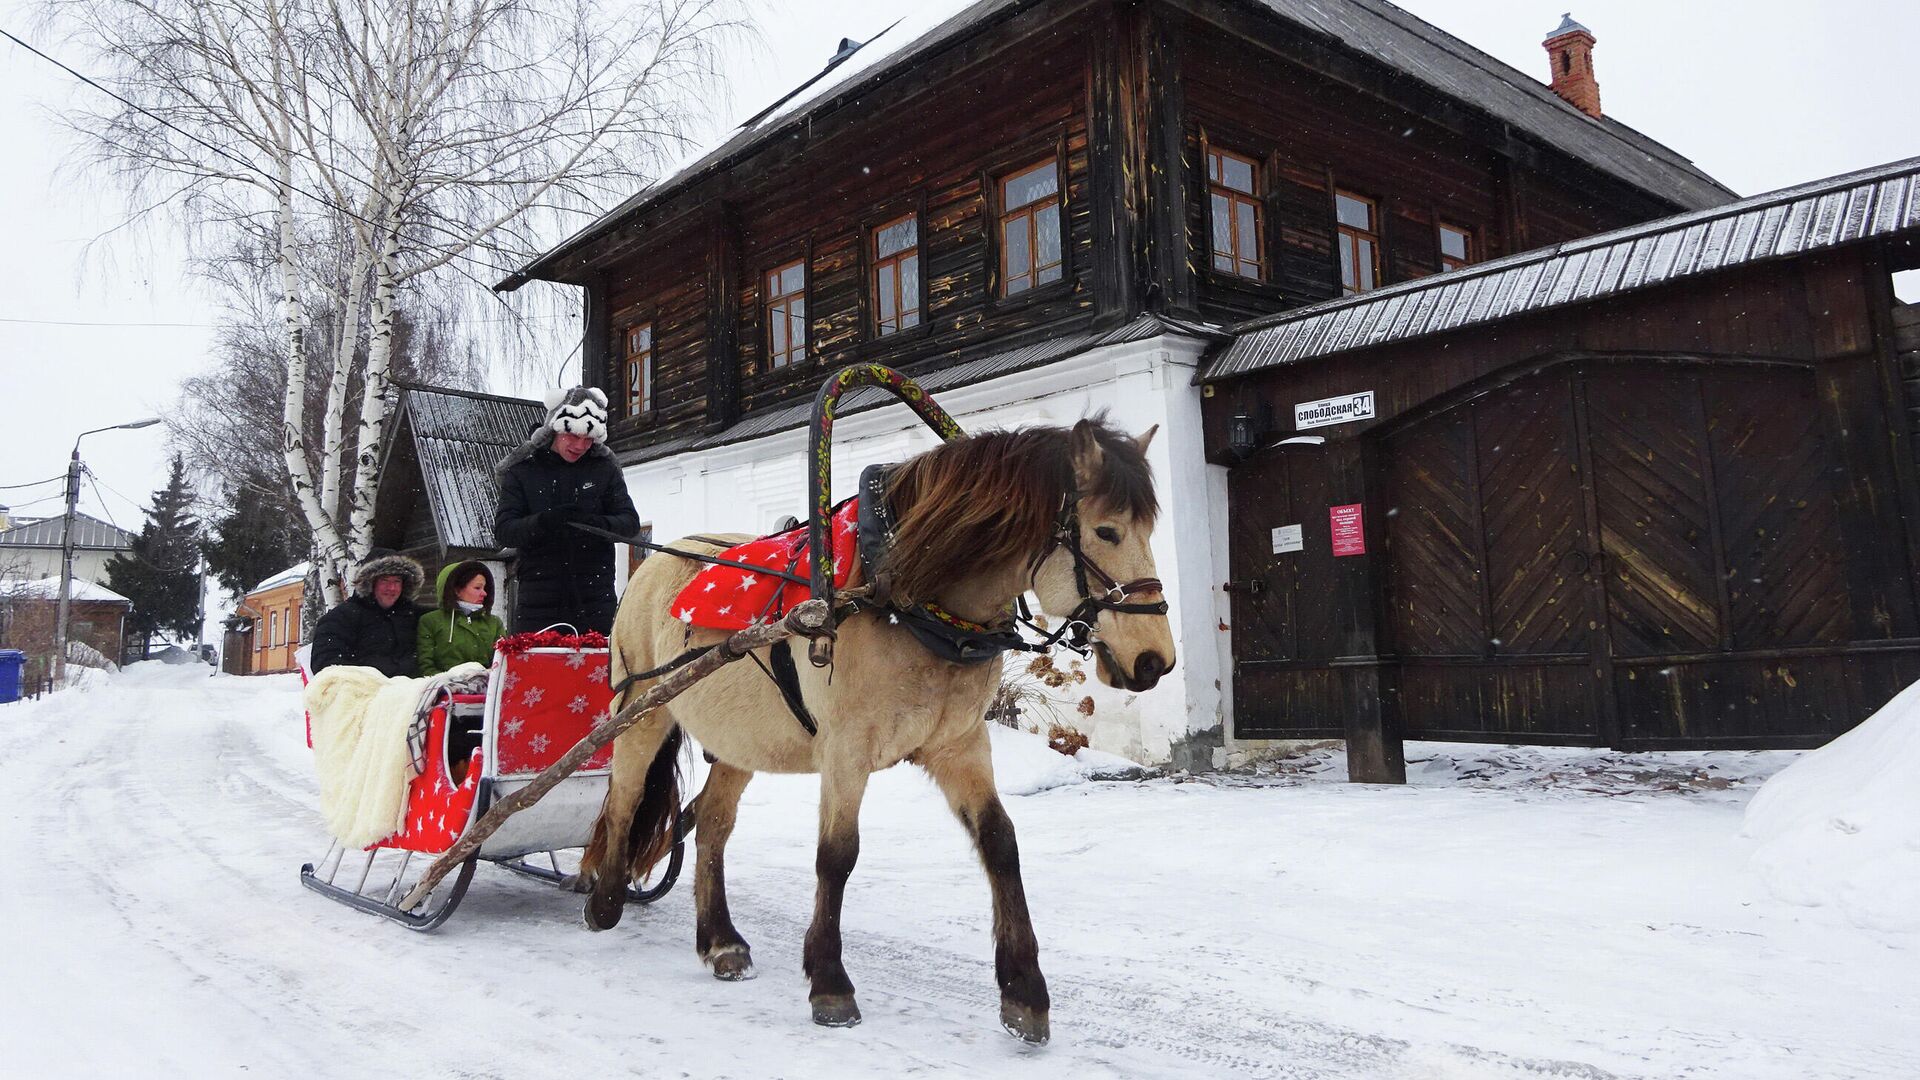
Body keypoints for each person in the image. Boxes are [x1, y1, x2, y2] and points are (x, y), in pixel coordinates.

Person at [494, 386, 639, 635]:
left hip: (595, 597)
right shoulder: (523, 471)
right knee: (538, 670)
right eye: (573, 436)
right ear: (555, 429)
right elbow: (505, 531)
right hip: (538, 600)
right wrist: (544, 522)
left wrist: (592, 525)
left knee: (595, 671)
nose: (580, 445)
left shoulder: (604, 469)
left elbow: (629, 524)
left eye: (588, 438)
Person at [309, 552, 428, 676]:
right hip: (363, 691)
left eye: (397, 581)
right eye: (384, 580)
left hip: (414, 691)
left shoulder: (415, 615)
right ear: (370, 583)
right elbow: (326, 664)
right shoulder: (342, 617)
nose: (392, 588)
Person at [416, 561, 506, 677]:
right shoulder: (430, 621)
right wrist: (450, 684)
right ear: (456, 590)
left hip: (486, 690)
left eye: (485, 588)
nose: (484, 593)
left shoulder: (494, 623)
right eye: (477, 588)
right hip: (444, 690)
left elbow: (502, 661)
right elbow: (426, 665)